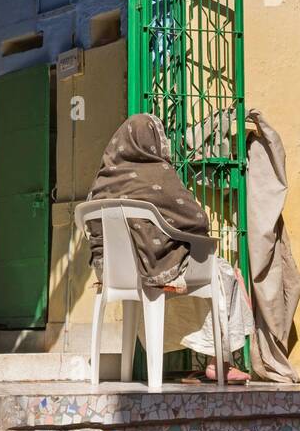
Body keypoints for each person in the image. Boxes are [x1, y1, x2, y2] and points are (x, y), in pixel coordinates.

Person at [85, 113, 251, 382]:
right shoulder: (157, 174)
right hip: (152, 268)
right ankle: (219, 360)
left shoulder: (101, 182)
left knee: (192, 272)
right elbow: (197, 220)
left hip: (111, 273)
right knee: (225, 272)